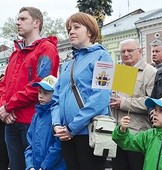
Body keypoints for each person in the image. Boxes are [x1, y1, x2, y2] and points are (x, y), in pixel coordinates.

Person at [51, 12, 113, 170]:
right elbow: (55, 100)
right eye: (69, 28)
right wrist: (57, 124)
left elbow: (100, 97)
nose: (71, 31)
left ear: (90, 32)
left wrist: (72, 127)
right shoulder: (67, 65)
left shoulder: (102, 57)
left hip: (89, 134)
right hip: (66, 135)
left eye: (76, 27)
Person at [0, 7, 59, 170]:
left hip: (31, 121)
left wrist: (8, 107)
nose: (17, 22)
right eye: (17, 19)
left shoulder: (46, 48)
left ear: (36, 23)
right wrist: (3, 108)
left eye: (23, 19)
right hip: (10, 120)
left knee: (33, 166)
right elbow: (4, 84)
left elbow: (39, 85)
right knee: (15, 166)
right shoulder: (15, 53)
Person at [110, 39, 156, 170]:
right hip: (119, 133)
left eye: (129, 50)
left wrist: (122, 102)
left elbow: (151, 102)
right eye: (122, 51)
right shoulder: (123, 71)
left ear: (140, 51)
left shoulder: (150, 72)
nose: (125, 54)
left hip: (138, 134)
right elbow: (117, 101)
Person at [112, 93, 162, 170]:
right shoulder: (149, 135)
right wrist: (122, 130)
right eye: (155, 110)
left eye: (161, 111)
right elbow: (128, 142)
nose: (155, 113)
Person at [25, 75, 66, 170]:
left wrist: (44, 166)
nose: (40, 96)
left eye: (46, 93)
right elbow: (30, 144)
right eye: (39, 92)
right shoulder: (36, 116)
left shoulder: (59, 116)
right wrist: (30, 166)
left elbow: (58, 147)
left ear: (56, 94)